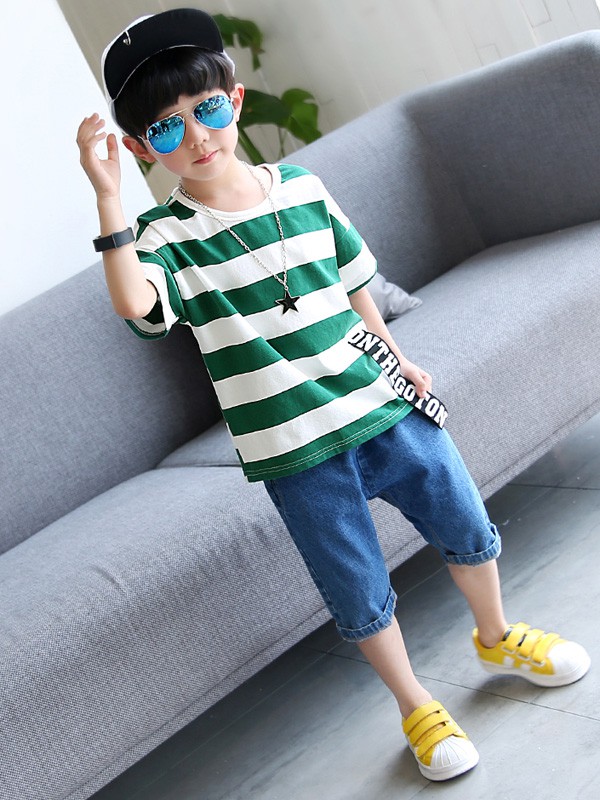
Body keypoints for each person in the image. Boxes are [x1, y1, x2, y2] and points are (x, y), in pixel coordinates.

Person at [76, 8, 591, 782]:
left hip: (380, 400)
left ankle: (496, 634)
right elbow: (136, 304)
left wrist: (399, 359)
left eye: (206, 109)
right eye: (168, 127)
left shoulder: (303, 188)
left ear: (234, 100)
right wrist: (108, 198)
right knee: (356, 583)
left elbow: (354, 289)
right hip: (295, 447)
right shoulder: (164, 237)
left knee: (464, 519)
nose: (198, 136)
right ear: (144, 148)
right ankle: (416, 703)